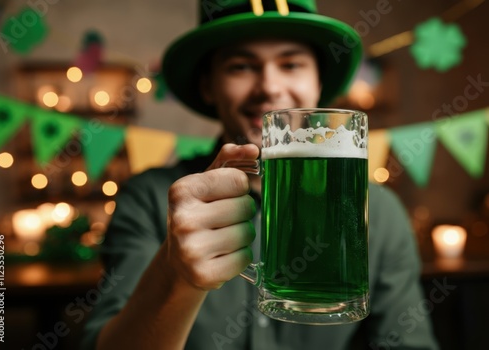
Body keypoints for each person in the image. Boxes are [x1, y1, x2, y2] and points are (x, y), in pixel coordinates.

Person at [81, 1, 439, 349]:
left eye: (291, 64)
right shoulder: (149, 197)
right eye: (240, 66)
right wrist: (177, 277)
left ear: (319, 82)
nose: (269, 87)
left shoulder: (380, 211)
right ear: (209, 86)